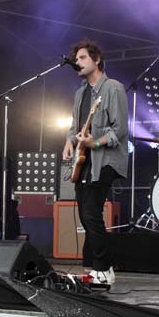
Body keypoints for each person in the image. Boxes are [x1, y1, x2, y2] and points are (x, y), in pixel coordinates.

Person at [62, 40, 128, 285]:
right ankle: (100, 269)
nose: (77, 62)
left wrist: (95, 143)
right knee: (84, 213)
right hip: (84, 159)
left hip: (106, 159)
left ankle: (103, 269)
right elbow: (75, 125)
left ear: (96, 59)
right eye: (76, 59)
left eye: (81, 58)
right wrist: (69, 141)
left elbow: (119, 130)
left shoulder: (113, 88)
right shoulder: (81, 93)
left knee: (91, 213)